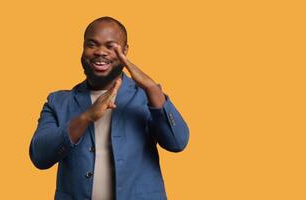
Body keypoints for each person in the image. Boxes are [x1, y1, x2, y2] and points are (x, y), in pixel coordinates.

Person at [29, 16, 189, 200]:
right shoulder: (58, 101)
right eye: (92, 44)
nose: (100, 52)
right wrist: (85, 118)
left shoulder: (147, 97)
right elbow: (40, 157)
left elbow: (178, 143)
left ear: (125, 51)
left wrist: (152, 88)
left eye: (111, 46)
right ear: (83, 48)